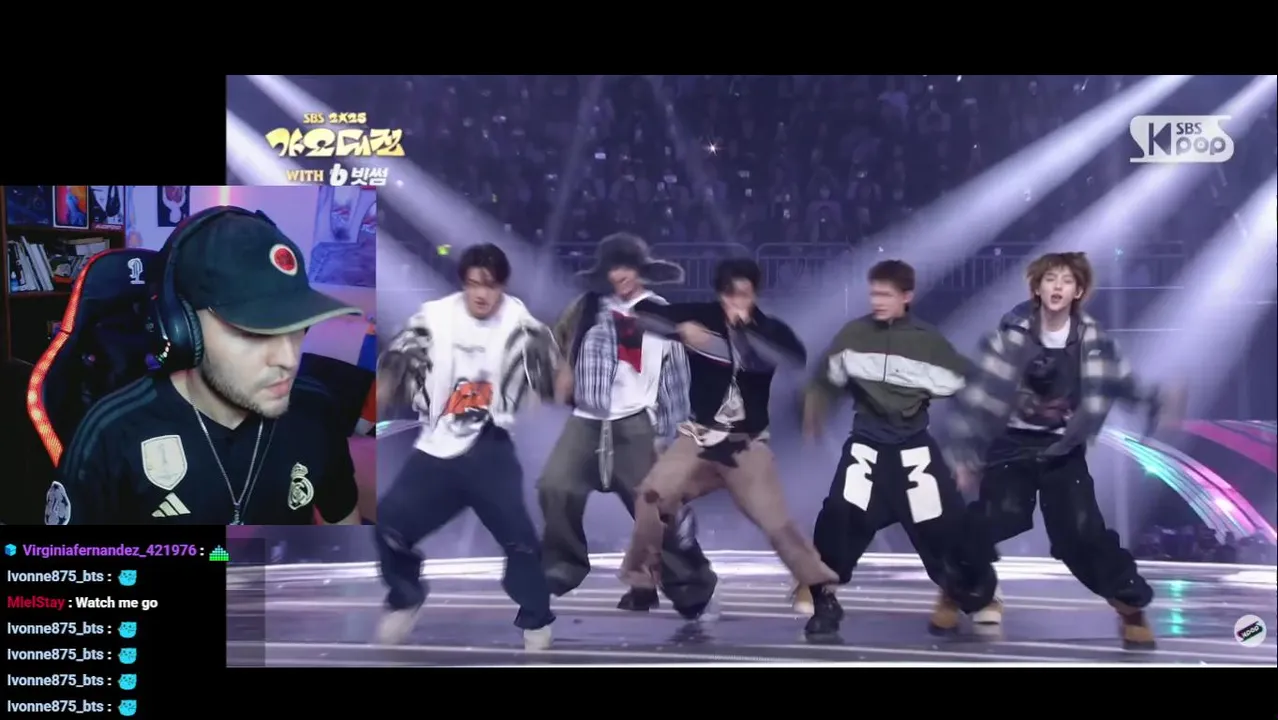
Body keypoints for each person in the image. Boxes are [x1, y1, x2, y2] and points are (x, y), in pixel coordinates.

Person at [45, 206, 363, 526]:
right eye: (254, 332)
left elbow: (344, 529)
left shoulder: (316, 411)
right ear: (182, 331)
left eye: (298, 326)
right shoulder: (110, 434)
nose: (289, 360)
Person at [944, 252, 1176, 649]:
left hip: (1062, 450)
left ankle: (1129, 605)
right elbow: (976, 396)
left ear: (1078, 291)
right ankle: (963, 589)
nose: (1057, 287)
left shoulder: (1093, 341)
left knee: (1082, 533)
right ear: (1037, 287)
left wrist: (1155, 400)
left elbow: (1123, 381)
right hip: (1011, 446)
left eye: (1066, 281)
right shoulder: (1009, 336)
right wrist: (964, 456)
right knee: (994, 518)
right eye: (1050, 279)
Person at [618, 258, 839, 603]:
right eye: (728, 295)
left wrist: (744, 332)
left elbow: (793, 358)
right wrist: (680, 330)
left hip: (745, 444)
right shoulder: (704, 317)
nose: (735, 302)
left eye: (743, 295)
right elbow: (643, 313)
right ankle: (642, 580)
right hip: (700, 436)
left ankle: (819, 588)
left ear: (755, 293)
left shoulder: (768, 330)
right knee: (651, 495)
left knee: (775, 522)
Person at [796, 260, 995, 640]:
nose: (877, 301)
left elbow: (972, 389)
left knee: (946, 527)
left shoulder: (929, 343)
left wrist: (967, 453)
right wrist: (815, 404)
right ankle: (824, 601)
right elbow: (825, 379)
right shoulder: (854, 335)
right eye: (874, 293)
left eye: (886, 294)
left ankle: (974, 592)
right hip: (866, 448)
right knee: (838, 517)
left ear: (907, 296)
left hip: (913, 451)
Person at [373, 244, 559, 651]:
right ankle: (405, 596)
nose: (481, 294)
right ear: (463, 283)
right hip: (436, 449)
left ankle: (536, 618)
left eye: (489, 286)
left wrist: (547, 384)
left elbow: (549, 370)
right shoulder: (436, 317)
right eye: (474, 284)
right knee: (388, 523)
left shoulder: (521, 324)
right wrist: (385, 386)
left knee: (520, 541)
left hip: (489, 449)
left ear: (502, 287)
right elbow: (400, 356)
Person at [539, 233, 718, 618]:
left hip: (636, 421)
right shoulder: (588, 306)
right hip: (587, 419)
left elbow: (674, 376)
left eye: (627, 267)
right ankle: (563, 566)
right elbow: (559, 341)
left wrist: (672, 434)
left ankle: (691, 584)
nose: (620, 275)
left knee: (655, 508)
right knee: (555, 485)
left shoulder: (662, 312)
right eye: (613, 268)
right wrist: (563, 370)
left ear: (641, 270)